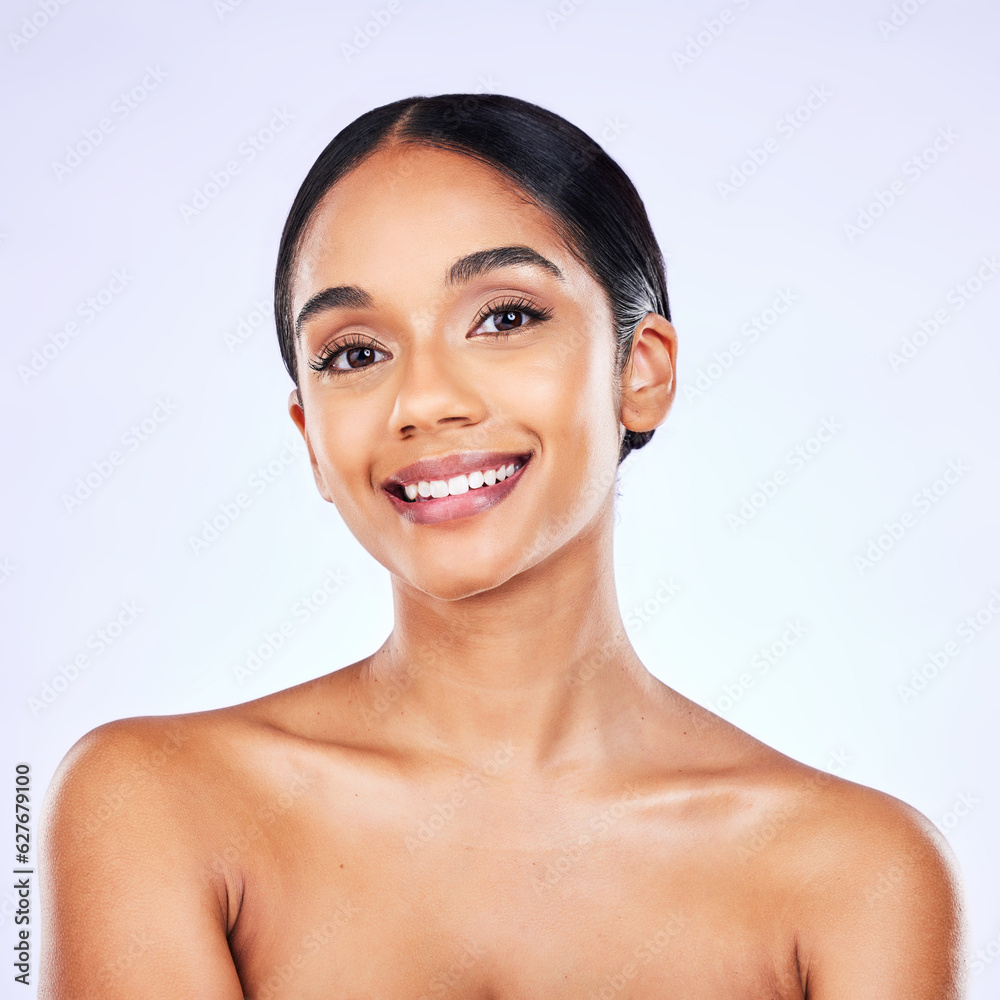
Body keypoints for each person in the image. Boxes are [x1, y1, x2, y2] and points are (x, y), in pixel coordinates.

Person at [39, 93, 966, 999]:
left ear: (639, 373)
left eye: (506, 318)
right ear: (309, 436)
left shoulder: (857, 877)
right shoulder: (154, 807)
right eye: (355, 353)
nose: (424, 401)